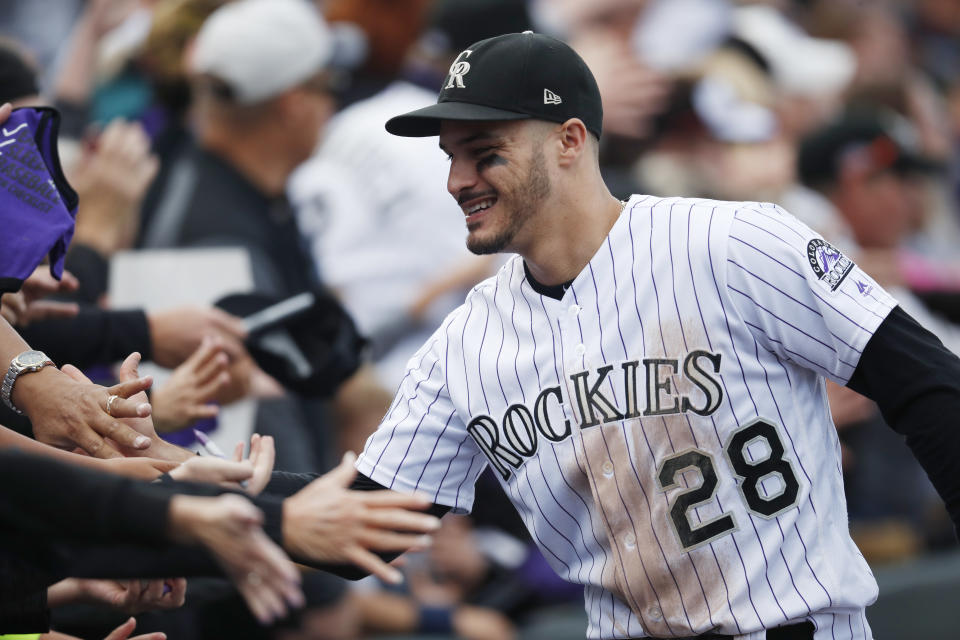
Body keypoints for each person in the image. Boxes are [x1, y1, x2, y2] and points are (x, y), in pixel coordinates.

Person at [323, 32, 960, 639]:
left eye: (485, 152)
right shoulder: (464, 344)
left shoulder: (733, 243)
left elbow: (929, 383)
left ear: (569, 141)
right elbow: (367, 528)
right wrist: (240, 497)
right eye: (452, 156)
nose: (457, 179)